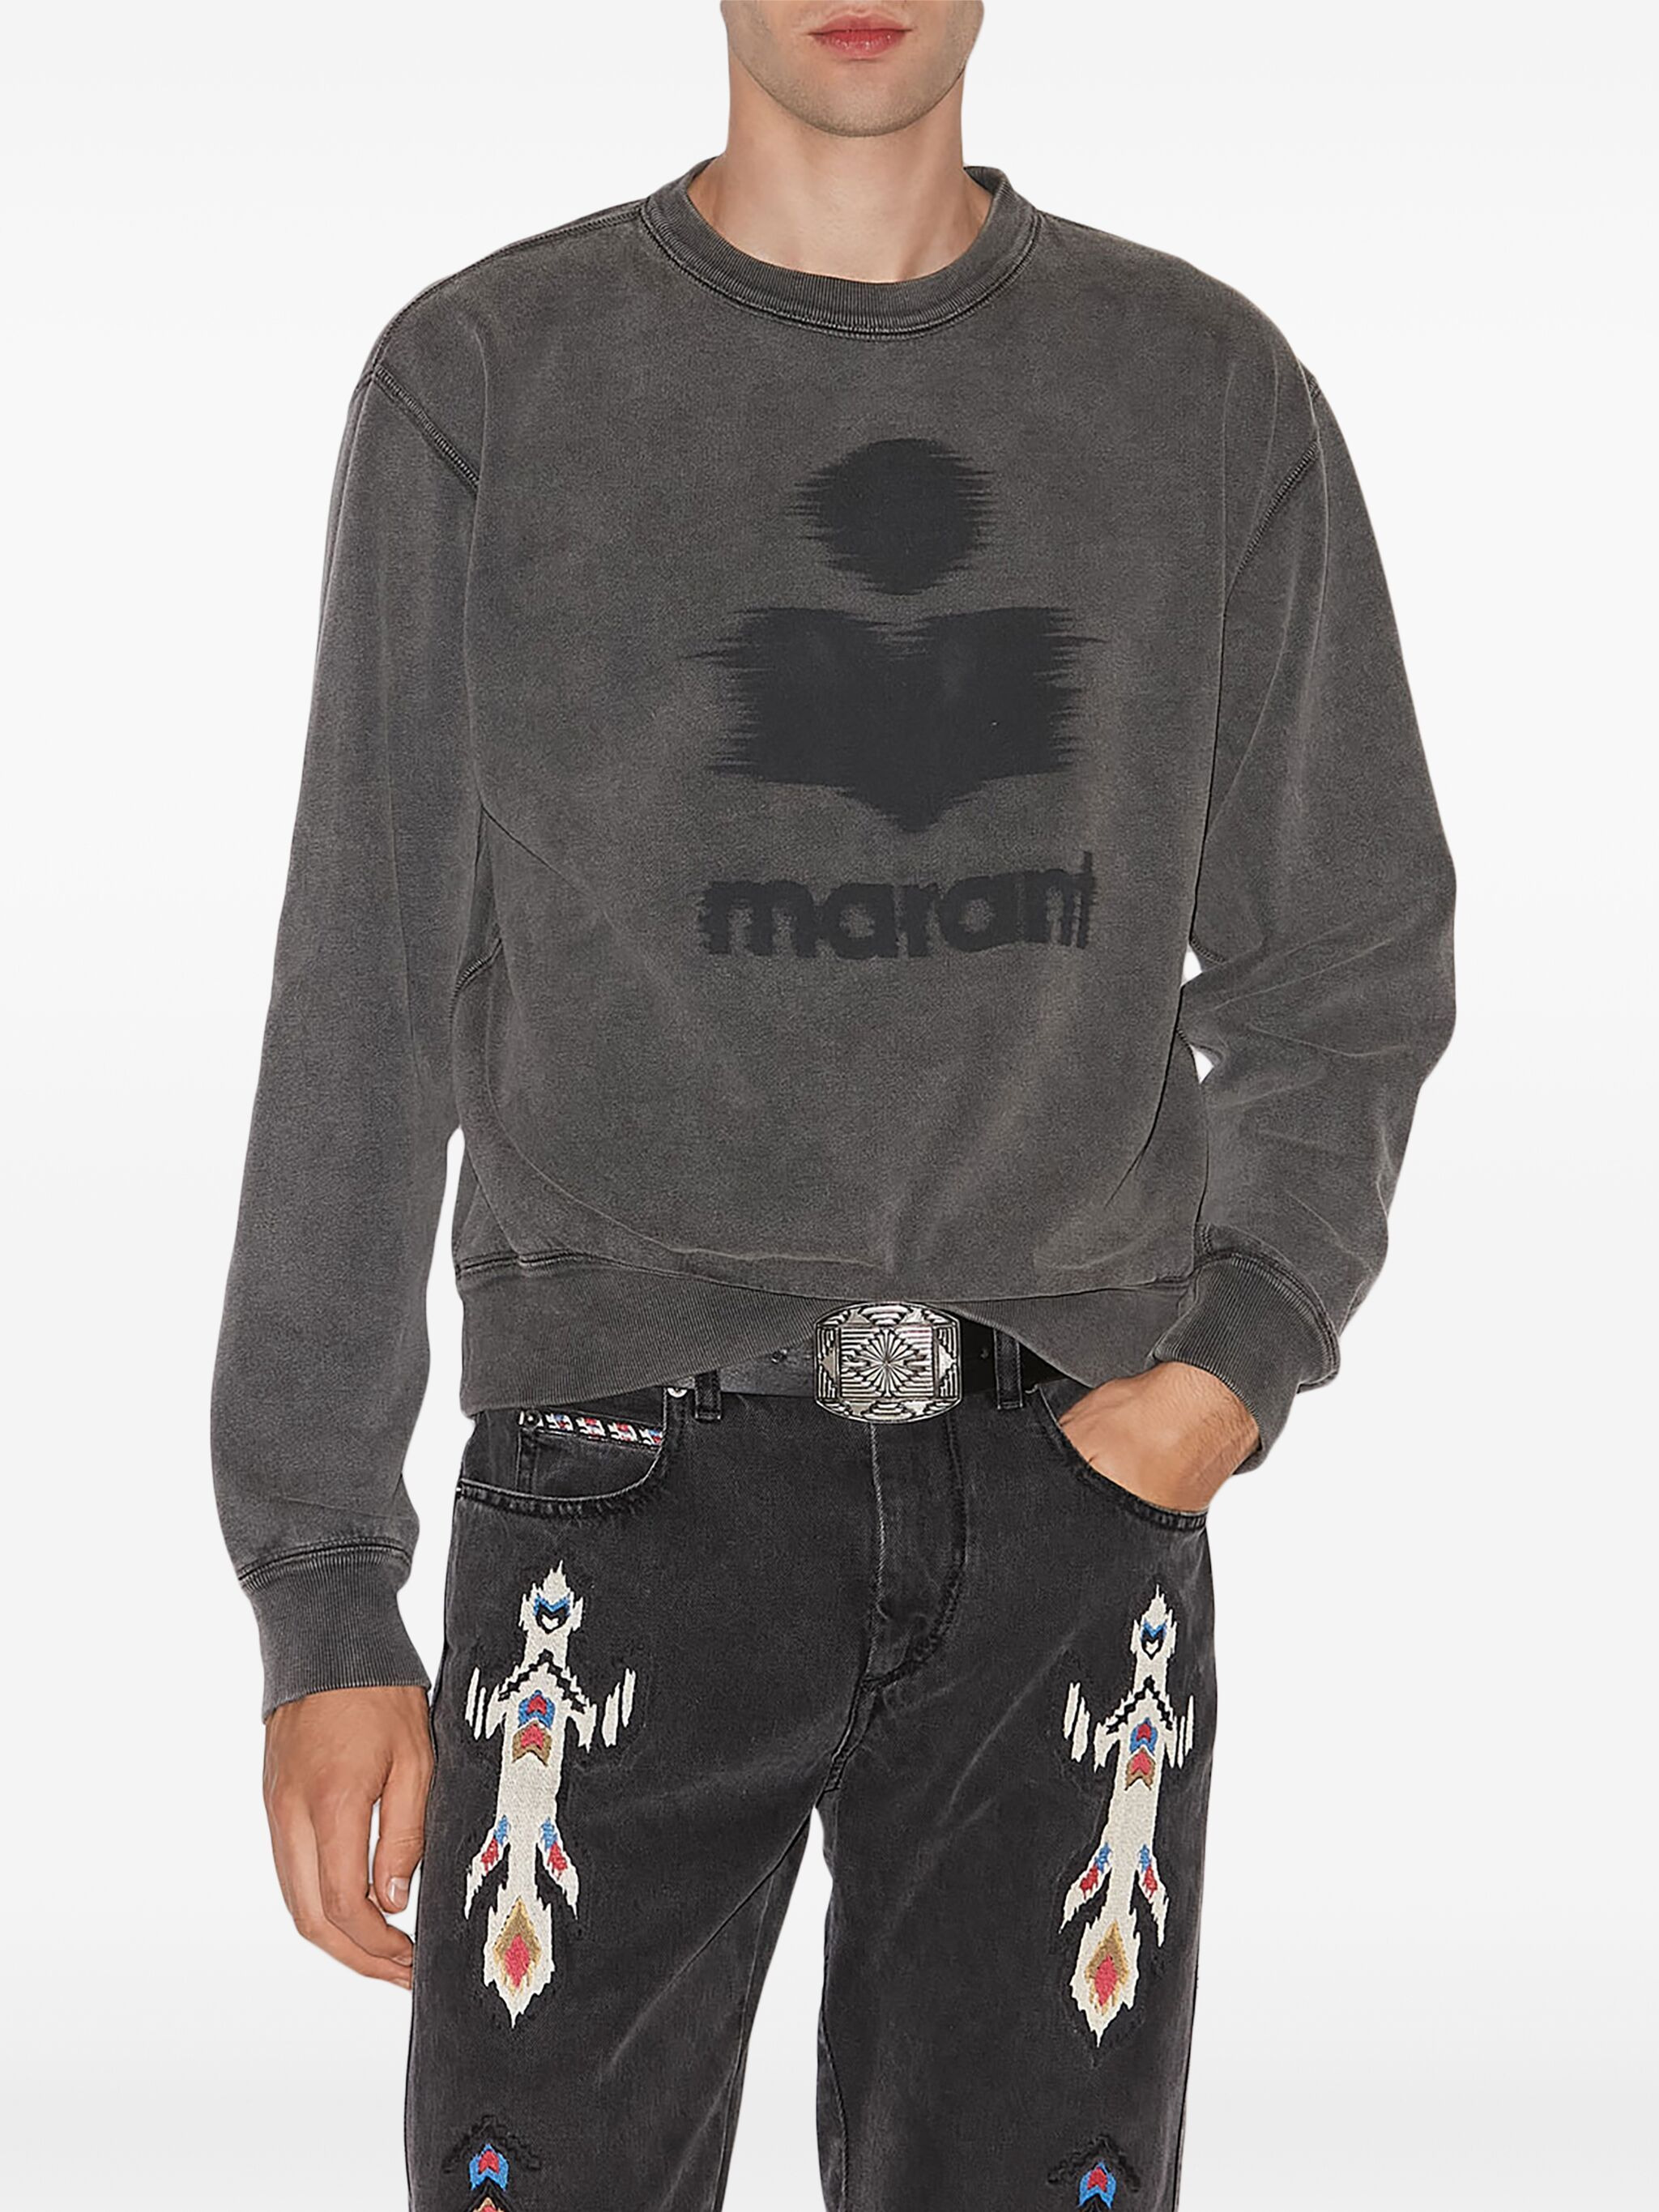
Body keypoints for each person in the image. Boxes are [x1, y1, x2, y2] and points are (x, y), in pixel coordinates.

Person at [210, 4, 1456, 2206]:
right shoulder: (491, 384)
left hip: (1071, 1498)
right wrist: (323, 1589)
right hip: (617, 1500)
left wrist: (1234, 1362)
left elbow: (1348, 951)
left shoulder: (1199, 391)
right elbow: (364, 993)